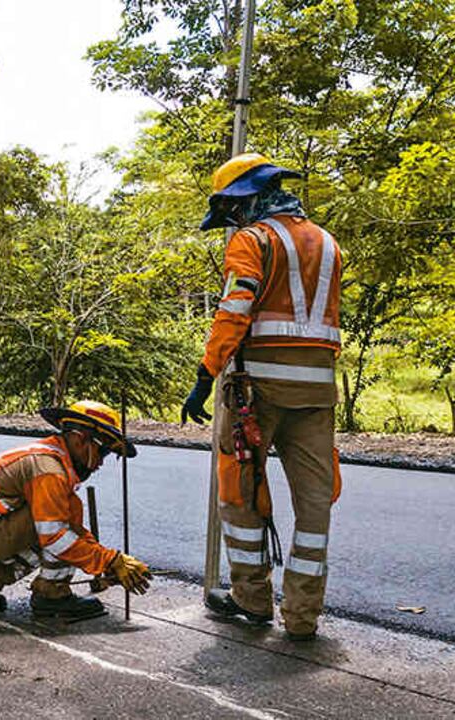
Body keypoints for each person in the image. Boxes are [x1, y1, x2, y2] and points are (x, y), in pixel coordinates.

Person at [182, 152, 342, 642]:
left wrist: (206, 374)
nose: (231, 223)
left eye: (231, 211)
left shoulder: (254, 240)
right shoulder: (330, 243)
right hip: (317, 393)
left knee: (239, 492)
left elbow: (235, 310)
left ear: (246, 199)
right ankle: (302, 616)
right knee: (315, 505)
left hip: (257, 390)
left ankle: (250, 599)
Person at [0, 400, 152, 620]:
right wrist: (109, 560)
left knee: (61, 519)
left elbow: (74, 529)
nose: (101, 463)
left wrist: (108, 563)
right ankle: (51, 595)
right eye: (102, 453)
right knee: (57, 532)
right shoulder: (50, 471)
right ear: (81, 439)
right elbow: (58, 537)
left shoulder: (52, 457)